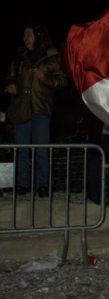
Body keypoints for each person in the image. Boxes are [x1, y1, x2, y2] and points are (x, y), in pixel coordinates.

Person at [5, 24, 67, 196]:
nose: (24, 38)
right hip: (21, 108)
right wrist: (9, 84)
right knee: (22, 148)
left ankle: (42, 185)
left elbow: (63, 81)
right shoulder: (20, 58)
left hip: (41, 109)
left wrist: (45, 77)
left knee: (41, 149)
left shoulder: (53, 58)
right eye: (24, 35)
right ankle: (22, 184)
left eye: (28, 35)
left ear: (39, 36)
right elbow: (9, 77)